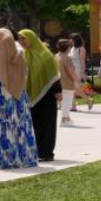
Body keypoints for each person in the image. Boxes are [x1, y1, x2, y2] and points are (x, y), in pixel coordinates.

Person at [0, 29, 38, 169]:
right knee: (20, 125)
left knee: (1, 126)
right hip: (18, 95)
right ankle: (24, 157)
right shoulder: (19, 53)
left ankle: (3, 159)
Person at [17, 30, 60, 162]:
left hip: (47, 95)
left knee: (47, 124)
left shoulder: (45, 54)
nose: (21, 42)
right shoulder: (25, 55)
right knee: (35, 124)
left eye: (24, 39)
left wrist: (58, 91)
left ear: (32, 38)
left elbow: (54, 74)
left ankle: (47, 153)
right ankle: (37, 151)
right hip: (30, 96)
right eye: (20, 39)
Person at [55, 39, 78, 125]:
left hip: (59, 81)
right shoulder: (67, 58)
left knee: (64, 101)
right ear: (67, 48)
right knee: (67, 101)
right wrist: (76, 80)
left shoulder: (56, 56)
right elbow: (71, 71)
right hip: (67, 81)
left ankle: (67, 117)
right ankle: (64, 119)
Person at [69, 33, 89, 112]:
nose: (70, 41)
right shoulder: (72, 48)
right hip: (71, 69)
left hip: (77, 69)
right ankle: (73, 106)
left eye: (72, 39)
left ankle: (88, 100)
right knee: (71, 88)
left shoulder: (81, 49)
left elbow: (82, 62)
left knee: (76, 88)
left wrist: (82, 73)